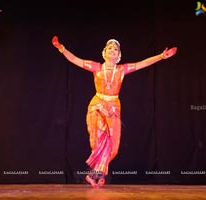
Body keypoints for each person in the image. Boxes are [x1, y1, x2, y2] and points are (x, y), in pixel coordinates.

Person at [52, 36, 177, 188]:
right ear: (104, 52)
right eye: (110, 48)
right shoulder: (96, 67)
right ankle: (98, 175)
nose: (112, 50)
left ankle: (96, 174)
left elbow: (142, 63)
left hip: (113, 107)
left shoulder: (121, 70)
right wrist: (61, 48)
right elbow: (74, 60)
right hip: (97, 106)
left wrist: (161, 56)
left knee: (112, 145)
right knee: (98, 142)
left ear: (118, 55)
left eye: (115, 49)